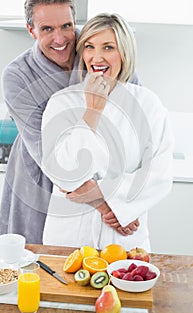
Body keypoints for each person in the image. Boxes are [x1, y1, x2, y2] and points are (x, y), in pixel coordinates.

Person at [0, 0, 140, 244]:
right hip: (40, 176)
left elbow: (133, 119)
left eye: (66, 26)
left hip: (105, 172)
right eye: (47, 29)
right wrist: (110, 208)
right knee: (42, 262)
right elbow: (53, 162)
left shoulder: (98, 52)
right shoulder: (18, 76)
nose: (60, 38)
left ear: (75, 22)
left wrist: (125, 201)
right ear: (31, 30)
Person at [41, 13, 174, 251]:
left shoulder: (148, 104)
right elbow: (63, 172)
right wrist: (92, 111)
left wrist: (116, 205)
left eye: (108, 47)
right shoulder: (61, 103)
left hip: (125, 236)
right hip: (69, 237)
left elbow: (160, 173)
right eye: (89, 47)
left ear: (124, 53)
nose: (97, 57)